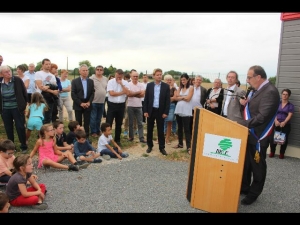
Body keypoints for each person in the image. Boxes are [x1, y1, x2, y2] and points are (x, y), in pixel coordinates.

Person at [238, 65, 280, 205]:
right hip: (250, 133)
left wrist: (242, 124)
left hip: (260, 136)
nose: (247, 80)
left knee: (257, 165)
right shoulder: (256, 90)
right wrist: (243, 104)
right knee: (246, 162)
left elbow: (262, 117)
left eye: (249, 77)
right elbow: (251, 110)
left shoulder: (270, 92)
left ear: (258, 77)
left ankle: (254, 193)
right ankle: (244, 187)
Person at [0, 65, 28, 153]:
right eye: (6, 72)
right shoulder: (0, 82)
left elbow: (24, 93)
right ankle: (11, 147)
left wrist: (23, 106)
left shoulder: (17, 80)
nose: (9, 73)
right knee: (8, 128)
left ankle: (23, 146)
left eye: (9, 71)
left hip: (17, 108)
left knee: (20, 127)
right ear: (1, 74)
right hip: (5, 109)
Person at [143, 68, 170, 156]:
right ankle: (149, 146)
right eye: (157, 75)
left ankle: (162, 147)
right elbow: (146, 99)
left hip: (160, 111)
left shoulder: (166, 86)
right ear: (154, 76)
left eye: (160, 74)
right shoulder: (149, 85)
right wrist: (145, 110)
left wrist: (166, 112)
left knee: (160, 130)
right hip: (151, 110)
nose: (159, 76)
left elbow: (167, 101)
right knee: (149, 129)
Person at [106, 69, 130, 146]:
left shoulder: (125, 82)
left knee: (119, 123)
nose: (118, 78)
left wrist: (121, 84)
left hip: (121, 105)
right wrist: (122, 92)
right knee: (108, 123)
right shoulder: (111, 82)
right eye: (117, 76)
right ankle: (107, 139)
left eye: (120, 77)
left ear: (122, 76)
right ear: (115, 74)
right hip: (112, 105)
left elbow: (128, 92)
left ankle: (117, 139)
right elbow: (112, 93)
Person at [71, 64, 95, 142]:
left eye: (86, 70)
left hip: (87, 104)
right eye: (83, 70)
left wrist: (89, 102)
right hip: (78, 104)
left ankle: (86, 137)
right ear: (79, 71)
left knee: (87, 122)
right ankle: (78, 137)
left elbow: (92, 93)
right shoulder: (75, 81)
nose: (85, 72)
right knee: (78, 122)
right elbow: (73, 94)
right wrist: (80, 103)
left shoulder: (91, 81)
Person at [269, 88, 294, 159]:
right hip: (276, 123)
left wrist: (284, 122)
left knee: (284, 139)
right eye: (283, 94)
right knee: (273, 139)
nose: (285, 96)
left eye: (286, 95)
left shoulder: (290, 106)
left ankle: (281, 153)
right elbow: (274, 113)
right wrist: (276, 121)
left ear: (289, 96)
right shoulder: (277, 104)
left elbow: (290, 114)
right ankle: (272, 152)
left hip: (285, 124)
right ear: (281, 95)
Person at [173, 73, 194, 155]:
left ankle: (188, 146)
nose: (183, 81)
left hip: (186, 111)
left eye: (184, 80)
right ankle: (180, 143)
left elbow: (188, 99)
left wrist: (180, 97)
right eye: (181, 80)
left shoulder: (191, 88)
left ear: (188, 80)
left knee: (187, 129)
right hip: (178, 110)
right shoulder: (179, 88)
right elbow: (175, 97)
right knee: (180, 128)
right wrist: (182, 97)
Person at [35, 58, 59, 124]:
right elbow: (40, 87)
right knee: (41, 115)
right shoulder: (38, 73)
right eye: (46, 64)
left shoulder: (52, 76)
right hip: (41, 97)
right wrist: (52, 91)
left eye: (49, 64)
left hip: (50, 98)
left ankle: (46, 132)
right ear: (42, 65)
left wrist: (48, 86)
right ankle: (40, 132)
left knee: (48, 116)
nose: (48, 65)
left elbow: (55, 86)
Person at [126, 70, 147, 143]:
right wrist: (138, 93)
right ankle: (131, 136)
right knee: (130, 122)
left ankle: (141, 137)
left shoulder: (141, 85)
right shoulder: (128, 84)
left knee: (140, 123)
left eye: (136, 76)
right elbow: (128, 94)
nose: (135, 77)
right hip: (130, 105)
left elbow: (142, 95)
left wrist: (133, 94)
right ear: (131, 77)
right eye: (134, 76)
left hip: (139, 106)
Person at [89, 65, 108, 137]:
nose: (99, 71)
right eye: (98, 69)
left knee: (99, 118)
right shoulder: (91, 78)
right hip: (94, 101)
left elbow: (106, 88)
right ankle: (93, 131)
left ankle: (98, 130)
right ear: (95, 70)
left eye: (101, 70)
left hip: (102, 101)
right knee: (93, 117)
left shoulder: (105, 79)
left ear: (103, 71)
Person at [163, 74, 177, 145]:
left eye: (170, 80)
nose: (169, 81)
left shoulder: (174, 88)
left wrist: (166, 99)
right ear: (165, 80)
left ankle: (167, 138)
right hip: (163, 106)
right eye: (167, 80)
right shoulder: (162, 87)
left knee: (169, 122)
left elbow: (174, 97)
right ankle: (161, 138)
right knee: (161, 122)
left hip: (171, 106)